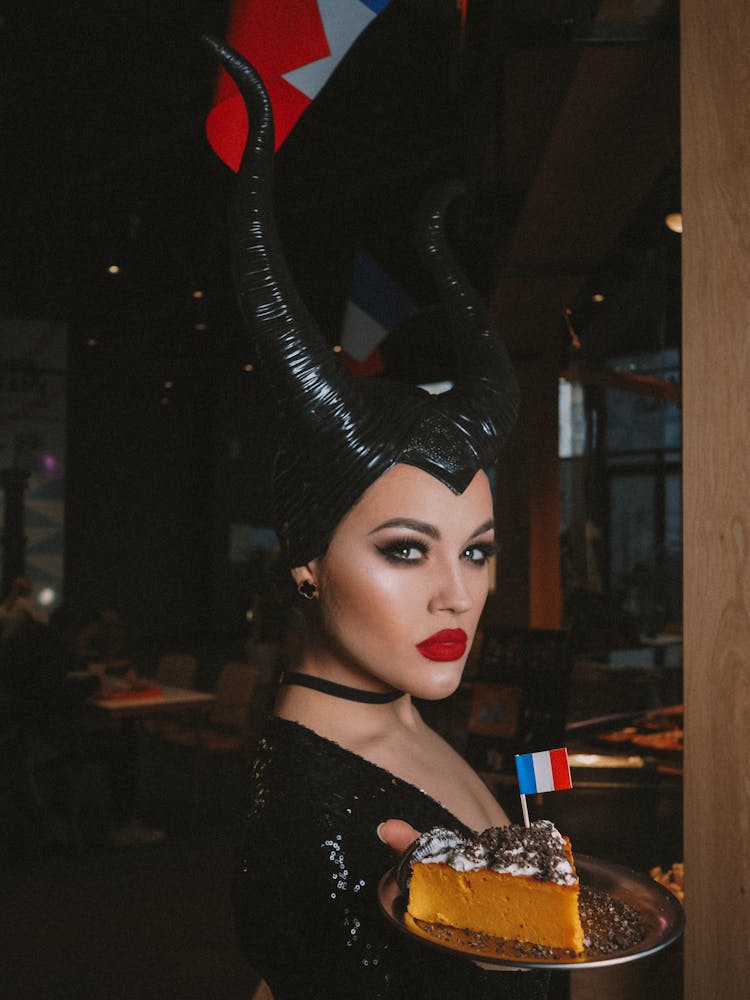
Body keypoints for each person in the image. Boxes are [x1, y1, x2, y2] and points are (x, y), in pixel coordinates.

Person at [204, 38, 549, 1000]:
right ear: (307, 561)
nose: (458, 594)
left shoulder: (399, 710)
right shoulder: (311, 829)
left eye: (476, 550)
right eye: (406, 549)